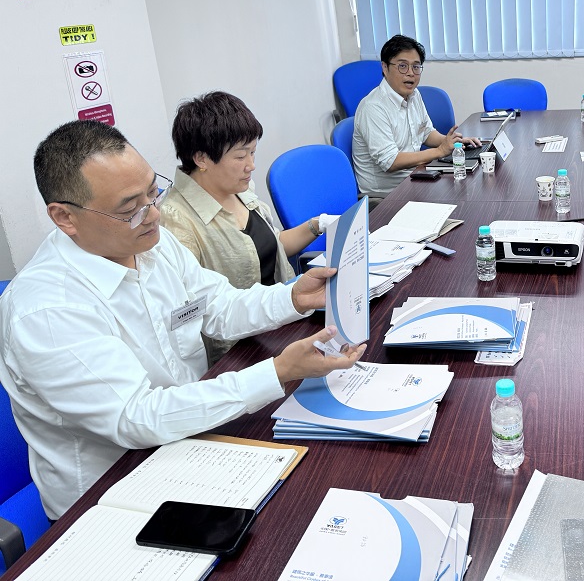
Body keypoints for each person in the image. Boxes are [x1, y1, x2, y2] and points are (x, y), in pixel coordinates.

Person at [0, 121, 365, 518]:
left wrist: (293, 297)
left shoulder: (150, 243)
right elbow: (136, 417)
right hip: (111, 494)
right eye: (130, 209)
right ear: (65, 217)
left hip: (190, 435)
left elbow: (218, 306)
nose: (153, 214)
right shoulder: (46, 310)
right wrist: (277, 372)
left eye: (153, 192)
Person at [160, 92, 324, 364]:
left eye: (252, 152)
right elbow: (196, 312)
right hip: (241, 350)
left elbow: (268, 246)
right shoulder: (176, 220)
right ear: (201, 159)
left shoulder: (239, 189)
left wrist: (316, 225)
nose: (251, 165)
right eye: (240, 156)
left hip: (283, 319)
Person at [352, 35, 480, 199]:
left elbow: (426, 132)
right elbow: (391, 162)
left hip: (416, 178)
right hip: (387, 196)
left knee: (469, 187)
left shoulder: (414, 95)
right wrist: (440, 151)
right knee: (461, 197)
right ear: (385, 67)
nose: (410, 73)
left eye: (416, 66)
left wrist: (452, 143)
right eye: (402, 66)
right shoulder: (373, 107)